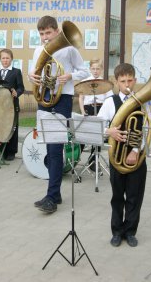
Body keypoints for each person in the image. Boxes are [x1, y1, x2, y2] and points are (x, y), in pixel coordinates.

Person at [29, 16, 89, 214]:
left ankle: (51, 197)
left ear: (56, 31)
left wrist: (70, 76)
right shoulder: (38, 49)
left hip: (62, 98)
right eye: (42, 34)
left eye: (48, 33)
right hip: (44, 97)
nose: (45, 37)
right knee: (49, 147)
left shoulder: (69, 49)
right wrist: (32, 75)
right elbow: (34, 70)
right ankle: (55, 194)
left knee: (55, 149)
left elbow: (84, 71)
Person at [97, 63, 146, 248]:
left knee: (135, 197)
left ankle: (130, 231)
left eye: (130, 80)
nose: (127, 84)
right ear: (116, 82)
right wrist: (110, 132)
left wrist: (135, 151)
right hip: (116, 157)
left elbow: (146, 130)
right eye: (123, 81)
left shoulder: (143, 101)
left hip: (137, 157)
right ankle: (117, 231)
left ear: (135, 80)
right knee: (117, 197)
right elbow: (99, 126)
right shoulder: (110, 102)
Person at [79, 59, 113, 170]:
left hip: (101, 110)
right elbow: (81, 97)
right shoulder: (85, 81)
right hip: (88, 109)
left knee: (98, 136)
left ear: (101, 69)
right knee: (82, 136)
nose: (95, 71)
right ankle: (76, 160)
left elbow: (109, 99)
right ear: (90, 69)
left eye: (98, 68)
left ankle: (93, 161)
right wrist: (83, 112)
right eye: (93, 68)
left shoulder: (105, 83)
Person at [0, 49, 25, 161]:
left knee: (12, 128)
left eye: (7, 58)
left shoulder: (16, 72)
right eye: (3, 58)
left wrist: (17, 92)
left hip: (12, 105)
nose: (5, 60)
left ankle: (11, 152)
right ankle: (2, 151)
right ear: (0, 59)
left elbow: (21, 87)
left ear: (11, 59)